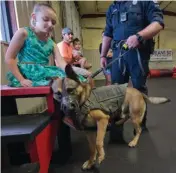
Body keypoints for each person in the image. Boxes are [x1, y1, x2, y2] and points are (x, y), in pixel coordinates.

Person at [100, 0, 164, 141]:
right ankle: (116, 129)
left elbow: (158, 23)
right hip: (118, 54)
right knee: (116, 91)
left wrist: (139, 36)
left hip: (138, 54)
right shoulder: (112, 8)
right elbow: (108, 33)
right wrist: (103, 55)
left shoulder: (144, 2)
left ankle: (140, 125)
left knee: (139, 90)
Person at [5, 3, 85, 88]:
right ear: (34, 17)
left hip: (44, 72)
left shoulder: (52, 43)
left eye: (53, 22)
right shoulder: (23, 33)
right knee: (59, 82)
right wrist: (21, 79)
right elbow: (9, 58)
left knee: (71, 80)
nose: (50, 24)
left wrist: (73, 75)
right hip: (26, 73)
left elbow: (62, 63)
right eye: (45, 19)